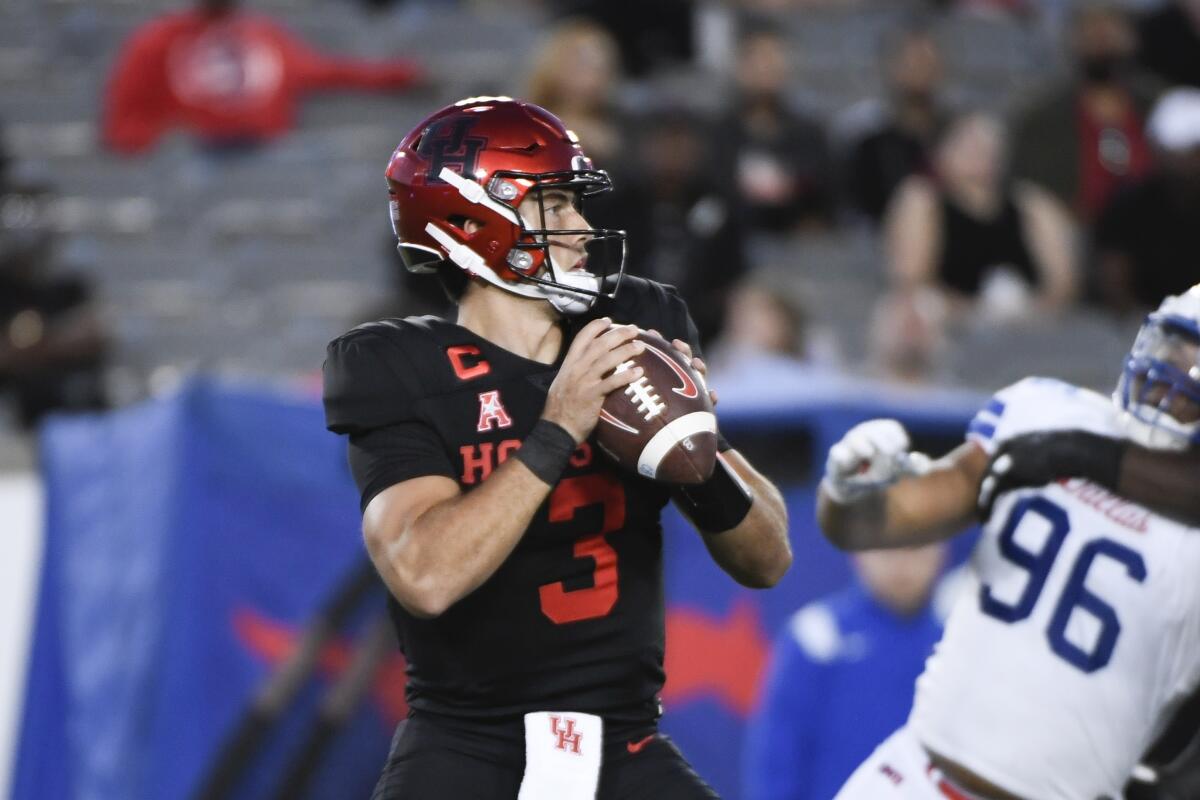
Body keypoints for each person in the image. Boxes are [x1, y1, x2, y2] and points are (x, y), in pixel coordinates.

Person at [321, 97, 792, 799]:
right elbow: (425, 576)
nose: (582, 226)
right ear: (473, 219)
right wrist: (558, 427)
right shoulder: (396, 366)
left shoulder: (635, 322)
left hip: (624, 746)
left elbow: (769, 559)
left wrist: (697, 452)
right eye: (557, 205)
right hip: (467, 747)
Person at [816, 284, 1200, 799]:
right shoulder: (1046, 411)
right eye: (1176, 351)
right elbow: (881, 523)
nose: (1174, 380)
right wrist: (848, 494)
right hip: (914, 778)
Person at [742, 544, 950, 800]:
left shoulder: (957, 645)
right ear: (859, 548)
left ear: (941, 549)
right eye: (887, 547)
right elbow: (776, 764)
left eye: (915, 547)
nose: (901, 564)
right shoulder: (816, 637)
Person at [103, 0, 424, 154]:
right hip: (195, 162)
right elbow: (125, 126)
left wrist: (399, 75)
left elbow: (330, 71)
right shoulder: (155, 43)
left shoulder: (264, 36)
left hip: (267, 154)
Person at [884, 111, 1077, 322]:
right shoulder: (922, 200)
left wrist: (1029, 311)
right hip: (951, 318)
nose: (978, 154)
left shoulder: (1031, 204)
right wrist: (975, 311)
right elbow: (912, 279)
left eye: (986, 147)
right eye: (968, 145)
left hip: (1026, 320)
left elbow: (1062, 281)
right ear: (943, 153)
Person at [1009, 4, 1158, 223]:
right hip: (1074, 233)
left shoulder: (1161, 107)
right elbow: (1031, 192)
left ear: (1132, 37)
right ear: (1071, 40)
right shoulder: (1042, 119)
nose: (1100, 37)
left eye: (1110, 27)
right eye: (1088, 28)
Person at [1093, 88, 1200, 315]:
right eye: (1172, 154)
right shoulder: (1128, 204)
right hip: (1143, 325)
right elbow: (1115, 280)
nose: (1181, 166)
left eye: (1191, 154)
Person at [842, 24, 949, 224]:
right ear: (892, 67)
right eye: (912, 61)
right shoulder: (870, 142)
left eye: (927, 61)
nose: (921, 69)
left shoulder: (956, 136)